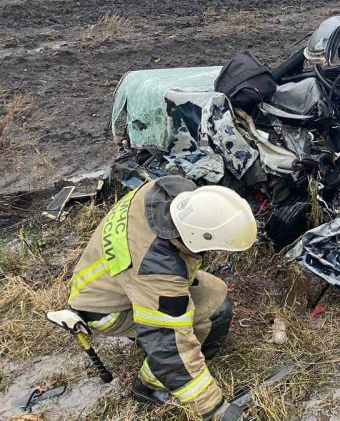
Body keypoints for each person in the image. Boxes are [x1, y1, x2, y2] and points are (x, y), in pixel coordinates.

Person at [64, 175, 256, 420]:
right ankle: (149, 384)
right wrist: (215, 410)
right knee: (204, 320)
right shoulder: (158, 270)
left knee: (215, 292)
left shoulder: (163, 190)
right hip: (106, 311)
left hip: (101, 282)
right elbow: (170, 346)